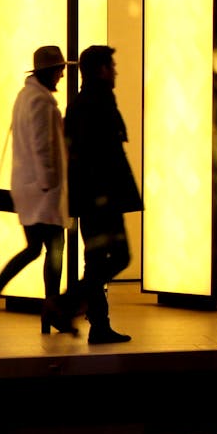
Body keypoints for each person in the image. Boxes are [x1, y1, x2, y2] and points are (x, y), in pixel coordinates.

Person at [0, 45, 76, 333]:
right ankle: (51, 311)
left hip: (30, 188)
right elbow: (42, 146)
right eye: (60, 69)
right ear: (50, 71)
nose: (62, 75)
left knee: (35, 249)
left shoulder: (26, 97)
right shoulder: (40, 102)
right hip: (42, 189)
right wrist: (49, 183)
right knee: (53, 250)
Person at [63, 44, 142, 345]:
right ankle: (70, 306)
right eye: (112, 65)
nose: (116, 71)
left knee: (96, 261)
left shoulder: (85, 101)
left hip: (93, 198)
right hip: (102, 198)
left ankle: (96, 322)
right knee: (117, 257)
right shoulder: (97, 102)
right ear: (101, 69)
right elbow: (100, 155)